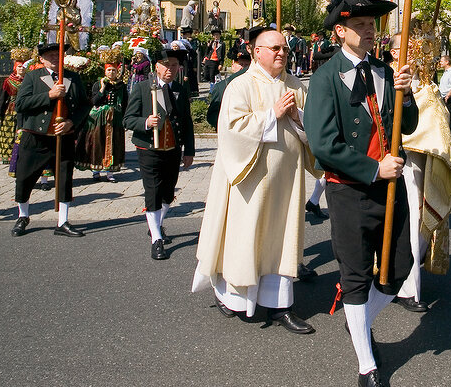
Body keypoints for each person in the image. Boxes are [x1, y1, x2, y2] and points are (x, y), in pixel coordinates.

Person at [305, 0, 418, 387]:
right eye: (362, 25)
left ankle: (359, 324)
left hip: (390, 188)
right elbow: (322, 144)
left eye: (373, 24)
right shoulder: (324, 78)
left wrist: (405, 97)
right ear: (340, 31)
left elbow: (408, 126)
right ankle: (367, 367)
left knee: (399, 267)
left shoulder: (386, 71)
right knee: (355, 276)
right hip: (351, 189)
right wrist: (373, 170)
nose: (370, 30)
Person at [193, 29, 316, 333]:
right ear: (255, 51)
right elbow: (232, 130)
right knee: (244, 237)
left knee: (281, 239)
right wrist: (272, 115)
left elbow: (312, 128)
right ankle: (232, 297)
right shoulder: (241, 86)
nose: (281, 53)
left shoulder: (296, 85)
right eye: (274, 48)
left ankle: (280, 305)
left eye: (285, 49)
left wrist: (299, 118)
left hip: (286, 180)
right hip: (250, 179)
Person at [388, 33, 451, 315]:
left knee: (418, 222)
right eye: (409, 50)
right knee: (399, 222)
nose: (417, 57)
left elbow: (437, 118)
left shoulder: (426, 86)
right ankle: (400, 283)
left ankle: (406, 280)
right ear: (395, 53)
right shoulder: (385, 78)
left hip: (420, 163)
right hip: (394, 161)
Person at [11, 42, 90, 238]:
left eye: (58, 55)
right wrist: (49, 95)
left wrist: (71, 123)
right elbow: (21, 104)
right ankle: (23, 215)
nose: (55, 58)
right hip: (35, 136)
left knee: (64, 178)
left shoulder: (72, 77)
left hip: (62, 136)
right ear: (41, 59)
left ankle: (62, 221)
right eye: (51, 56)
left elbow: (84, 105)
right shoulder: (32, 77)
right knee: (24, 177)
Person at [124, 48, 196, 260]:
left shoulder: (180, 90)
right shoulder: (143, 88)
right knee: (153, 190)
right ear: (156, 66)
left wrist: (189, 150)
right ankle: (156, 238)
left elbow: (186, 121)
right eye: (166, 65)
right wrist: (145, 122)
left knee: (168, 190)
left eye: (174, 65)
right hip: (149, 148)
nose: (170, 69)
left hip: (173, 148)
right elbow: (128, 119)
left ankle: (156, 223)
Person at [79, 51, 127, 183]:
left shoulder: (121, 85)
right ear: (105, 71)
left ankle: (110, 172)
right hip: (99, 117)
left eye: (113, 70)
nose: (111, 73)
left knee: (114, 143)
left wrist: (124, 117)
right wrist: (102, 89)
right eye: (109, 70)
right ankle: (96, 170)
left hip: (115, 118)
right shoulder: (98, 84)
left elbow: (125, 103)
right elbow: (94, 101)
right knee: (98, 142)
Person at [0, 48, 32, 172]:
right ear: (15, 67)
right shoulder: (8, 81)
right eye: (19, 67)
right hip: (11, 110)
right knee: (10, 133)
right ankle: (9, 155)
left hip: (25, 110)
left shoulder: (29, 80)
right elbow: (2, 98)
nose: (21, 69)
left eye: (23, 67)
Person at [205, 49, 251, 130]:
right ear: (233, 65)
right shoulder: (221, 86)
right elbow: (212, 116)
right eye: (240, 64)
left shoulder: (254, 85)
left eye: (246, 65)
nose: (243, 68)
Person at [437, 55, 451, 134]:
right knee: (445, 118)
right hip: (443, 96)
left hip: (449, 98)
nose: (440, 63)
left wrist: (448, 95)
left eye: (442, 61)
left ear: (447, 62)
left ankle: (450, 136)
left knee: (449, 118)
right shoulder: (445, 72)